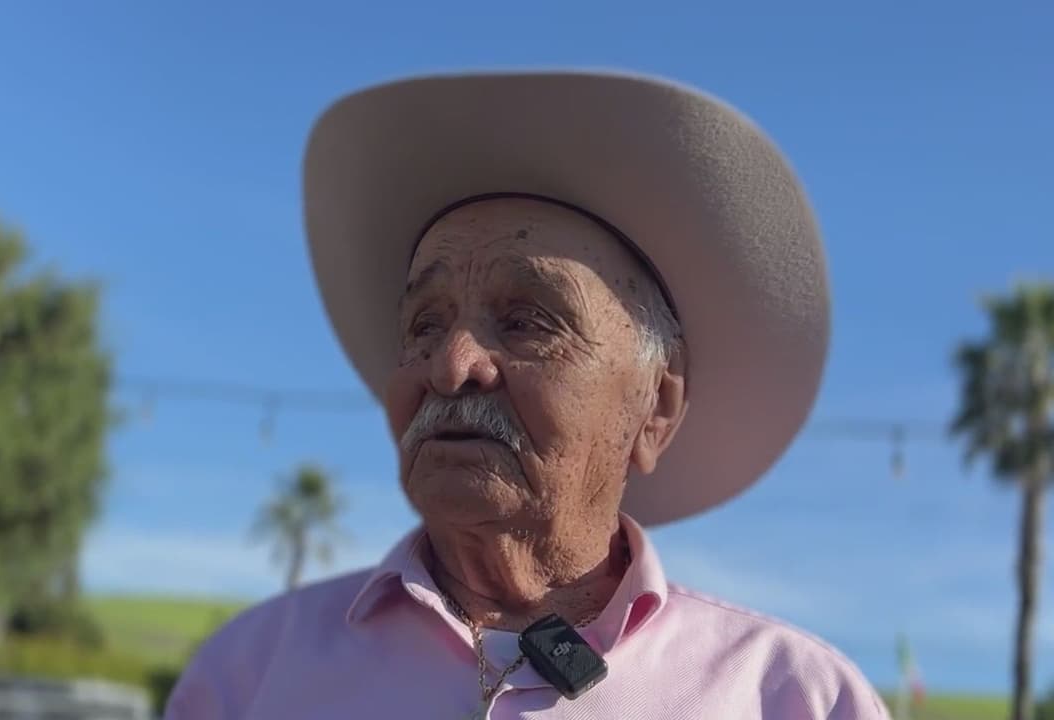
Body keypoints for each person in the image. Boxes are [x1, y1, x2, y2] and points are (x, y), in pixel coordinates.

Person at [165, 70, 889, 719]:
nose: (452, 366)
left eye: (528, 321)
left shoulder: (793, 699)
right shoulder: (247, 677)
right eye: (424, 324)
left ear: (656, 410)